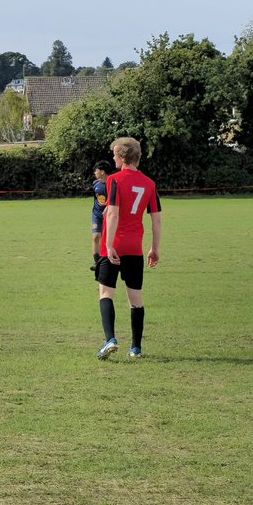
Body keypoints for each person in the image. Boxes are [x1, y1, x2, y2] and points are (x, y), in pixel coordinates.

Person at [96, 137, 162, 361]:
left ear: (122, 157)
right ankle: (135, 348)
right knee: (136, 299)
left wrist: (108, 245)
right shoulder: (150, 184)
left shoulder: (113, 180)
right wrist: (154, 248)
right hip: (135, 247)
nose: (113, 157)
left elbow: (113, 212)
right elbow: (156, 220)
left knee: (105, 293)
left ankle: (110, 339)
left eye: (115, 154)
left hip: (113, 244)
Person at [89, 160, 114, 273]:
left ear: (102, 171)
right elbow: (96, 199)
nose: (95, 172)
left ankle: (111, 260)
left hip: (109, 216)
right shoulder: (95, 184)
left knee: (108, 239)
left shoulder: (113, 184)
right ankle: (97, 262)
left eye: (96, 170)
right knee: (95, 237)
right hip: (97, 215)